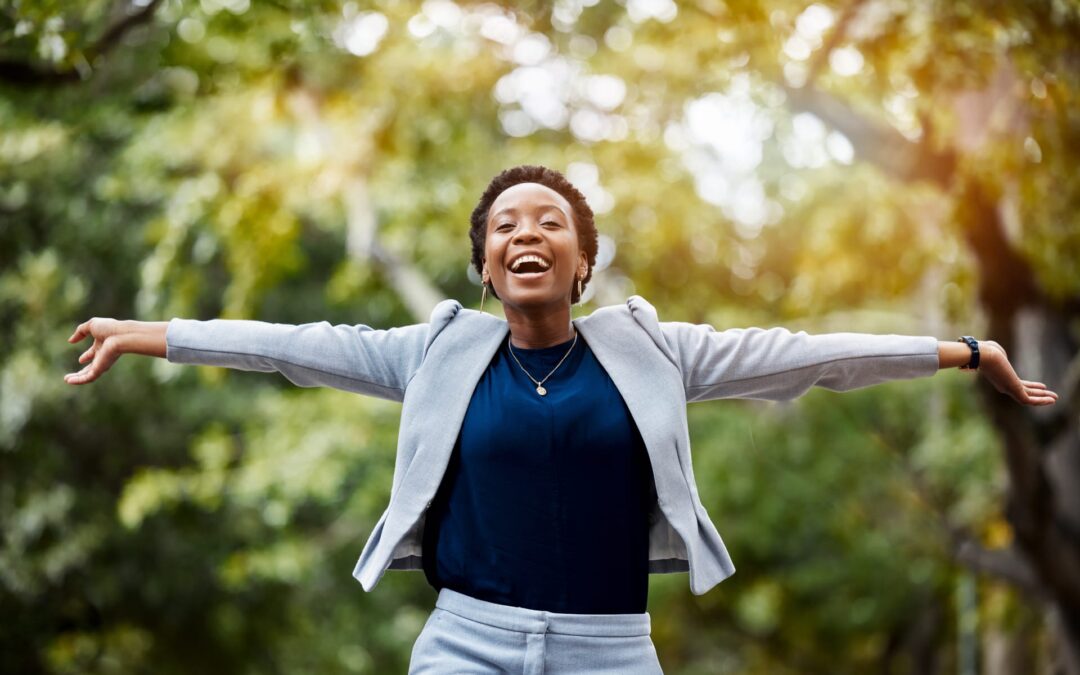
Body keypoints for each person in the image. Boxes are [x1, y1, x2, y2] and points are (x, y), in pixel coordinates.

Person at [64, 164, 1058, 673]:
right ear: (485, 265)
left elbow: (803, 355)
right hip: (466, 641)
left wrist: (966, 350)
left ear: (582, 264)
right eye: (506, 225)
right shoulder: (434, 351)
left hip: (610, 648)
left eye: (550, 222)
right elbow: (290, 344)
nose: (526, 232)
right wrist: (148, 334)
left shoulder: (655, 349)